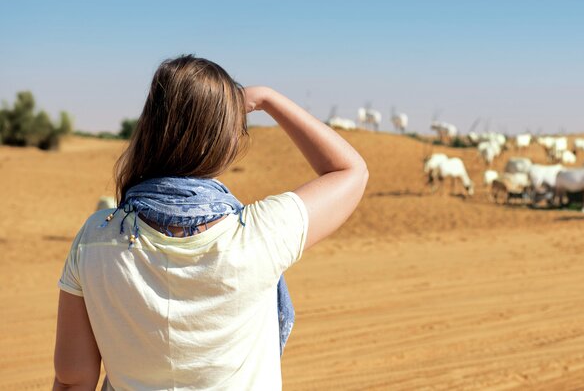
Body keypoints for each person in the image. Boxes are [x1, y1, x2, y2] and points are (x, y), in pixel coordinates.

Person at [53, 55, 368, 390]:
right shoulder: (260, 233)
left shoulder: (96, 236)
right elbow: (349, 170)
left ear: (149, 128)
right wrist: (268, 99)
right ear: (227, 142)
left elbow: (74, 379)